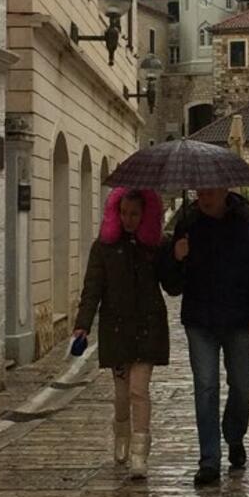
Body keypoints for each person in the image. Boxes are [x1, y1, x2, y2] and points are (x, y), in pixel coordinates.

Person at [165, 188, 249, 486]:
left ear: (225, 189)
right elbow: (172, 285)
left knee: (241, 386)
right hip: (200, 321)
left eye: (211, 190)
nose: (204, 196)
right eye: (200, 190)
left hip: (239, 319)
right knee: (206, 388)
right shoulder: (187, 221)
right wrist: (176, 258)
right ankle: (209, 460)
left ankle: (234, 435)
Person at [72, 188, 176, 479]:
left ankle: (140, 453)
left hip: (148, 327)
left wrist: (178, 257)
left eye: (135, 214)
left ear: (145, 216)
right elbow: (92, 289)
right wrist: (83, 323)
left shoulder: (155, 246)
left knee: (138, 391)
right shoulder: (103, 247)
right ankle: (121, 435)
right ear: (116, 213)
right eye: (124, 213)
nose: (129, 219)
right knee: (121, 395)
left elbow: (173, 286)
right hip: (116, 329)